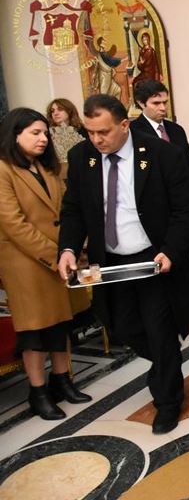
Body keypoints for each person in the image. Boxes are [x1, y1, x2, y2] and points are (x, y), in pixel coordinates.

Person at [57, 95, 189, 434]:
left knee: (160, 330)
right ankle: (165, 363)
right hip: (110, 263)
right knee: (122, 327)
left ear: (124, 125)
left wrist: (171, 251)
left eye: (103, 132)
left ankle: (167, 400)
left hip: (154, 259)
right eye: (90, 132)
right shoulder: (81, 157)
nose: (96, 139)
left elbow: (185, 210)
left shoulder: (162, 155)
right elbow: (73, 209)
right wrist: (68, 248)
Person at [0, 108, 91, 420]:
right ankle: (38, 392)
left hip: (57, 260)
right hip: (26, 264)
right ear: (15, 135)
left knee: (60, 324)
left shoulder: (45, 166)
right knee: (35, 332)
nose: (42, 139)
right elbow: (14, 225)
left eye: (44, 133)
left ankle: (62, 381)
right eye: (34, 133)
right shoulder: (3, 170)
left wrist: (71, 249)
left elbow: (65, 211)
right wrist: (57, 255)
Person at [130, 79, 189, 191]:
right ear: (141, 103)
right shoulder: (133, 131)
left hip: (182, 195)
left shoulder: (177, 130)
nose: (163, 108)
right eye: (156, 103)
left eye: (165, 102)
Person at [45, 98, 86, 166]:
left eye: (60, 109)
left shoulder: (83, 130)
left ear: (69, 111)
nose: (55, 113)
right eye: (52, 111)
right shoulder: (48, 133)